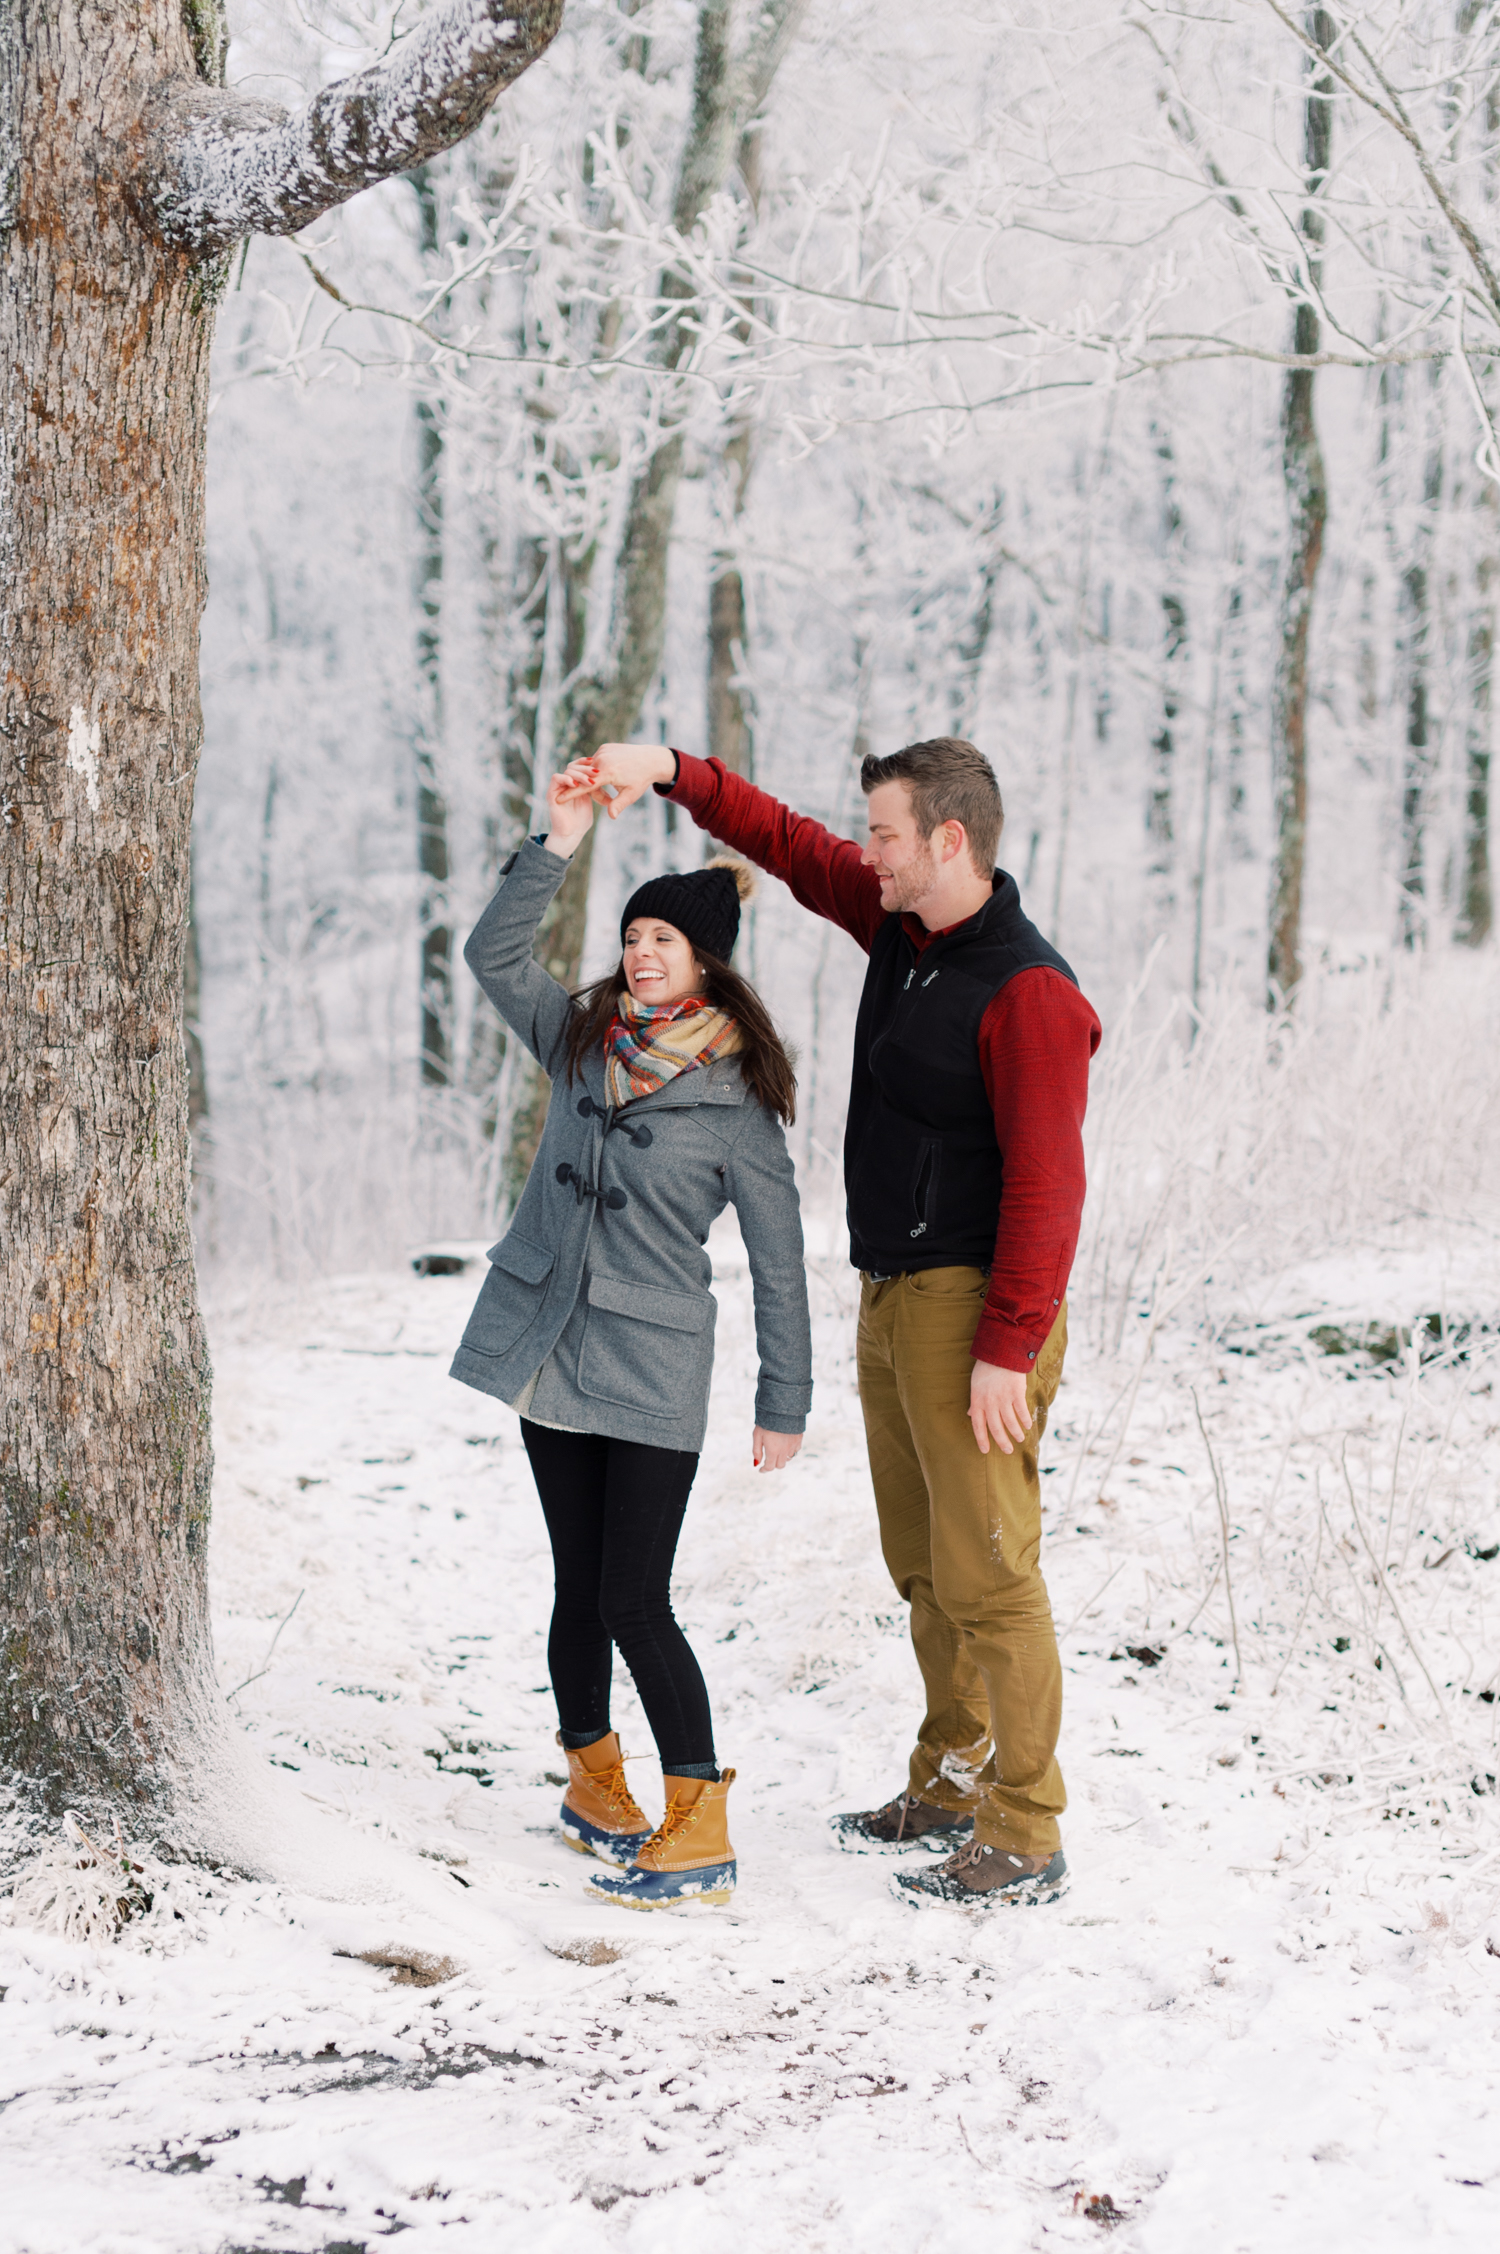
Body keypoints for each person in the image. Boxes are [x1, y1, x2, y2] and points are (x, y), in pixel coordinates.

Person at [561, 737, 1100, 1908]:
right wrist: (670, 770)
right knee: (926, 1566)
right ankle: (949, 1778)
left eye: (888, 836)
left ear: (949, 841)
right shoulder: (906, 931)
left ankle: (1025, 1824)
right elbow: (790, 848)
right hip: (895, 1293)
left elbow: (1051, 1186)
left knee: (992, 1571)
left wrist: (1009, 1344)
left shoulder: (1029, 990)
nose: (869, 853)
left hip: (974, 1308)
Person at [450, 771, 812, 1909]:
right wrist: (554, 844)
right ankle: (596, 1785)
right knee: (577, 1582)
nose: (643, 951)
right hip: (552, 1345)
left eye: (664, 936)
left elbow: (782, 1254)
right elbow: (493, 958)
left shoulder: (737, 1100)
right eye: (633, 933)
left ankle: (698, 1817)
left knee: (633, 1599)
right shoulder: (579, 1034)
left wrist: (783, 1397)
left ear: (707, 959)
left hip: (653, 1365)